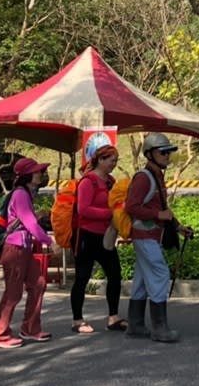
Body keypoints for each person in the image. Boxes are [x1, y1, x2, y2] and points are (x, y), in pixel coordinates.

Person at [125, 132, 186, 342]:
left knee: (142, 280)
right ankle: (160, 328)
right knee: (160, 274)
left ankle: (135, 325)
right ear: (150, 154)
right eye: (163, 152)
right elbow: (131, 207)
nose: (167, 156)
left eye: (168, 152)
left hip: (151, 234)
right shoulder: (143, 177)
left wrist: (177, 226)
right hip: (145, 234)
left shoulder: (157, 175)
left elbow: (163, 207)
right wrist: (157, 215)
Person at [0, 157, 56, 349]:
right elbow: (30, 223)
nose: (41, 174)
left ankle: (30, 328)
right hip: (15, 249)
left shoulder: (27, 193)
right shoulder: (20, 194)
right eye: (37, 172)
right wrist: (49, 242)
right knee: (13, 293)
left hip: (23, 248)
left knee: (38, 284)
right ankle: (0, 334)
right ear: (27, 175)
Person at [70, 144, 126, 334]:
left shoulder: (111, 181)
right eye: (111, 161)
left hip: (106, 236)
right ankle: (77, 320)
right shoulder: (88, 182)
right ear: (100, 160)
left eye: (116, 161)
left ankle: (114, 317)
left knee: (115, 275)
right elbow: (83, 210)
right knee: (82, 278)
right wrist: (108, 214)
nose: (114, 165)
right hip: (87, 236)